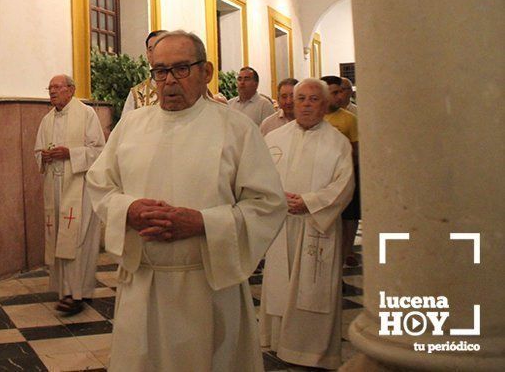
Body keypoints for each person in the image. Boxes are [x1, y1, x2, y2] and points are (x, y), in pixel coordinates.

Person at [86, 31, 286, 371]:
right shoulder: (132, 125)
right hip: (142, 283)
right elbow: (100, 184)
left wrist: (204, 223)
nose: (168, 81)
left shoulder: (235, 128)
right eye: (159, 71)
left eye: (180, 69)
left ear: (205, 72)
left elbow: (267, 203)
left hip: (208, 286)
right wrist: (129, 210)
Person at [259, 78, 355, 369]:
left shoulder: (337, 142)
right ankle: (278, 342)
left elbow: (345, 184)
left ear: (325, 105)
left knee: (312, 291)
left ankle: (311, 352)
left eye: (314, 99)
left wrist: (309, 202)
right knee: (280, 286)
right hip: (281, 225)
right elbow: (258, 177)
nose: (306, 104)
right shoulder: (274, 138)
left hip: (316, 227)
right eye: (301, 99)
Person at [34, 75, 106, 314]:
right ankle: (65, 291)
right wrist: (42, 156)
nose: (52, 92)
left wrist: (71, 154)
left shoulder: (86, 114)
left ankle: (79, 293)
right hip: (54, 186)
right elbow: (37, 151)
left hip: (79, 187)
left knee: (77, 240)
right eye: (50, 87)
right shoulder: (47, 120)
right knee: (59, 239)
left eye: (57, 87)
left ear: (71, 90)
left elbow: (99, 150)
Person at [321, 75, 361, 267]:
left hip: (346, 176)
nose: (339, 97)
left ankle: (346, 251)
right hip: (322, 178)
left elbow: (356, 149)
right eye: (334, 92)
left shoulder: (350, 119)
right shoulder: (317, 118)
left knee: (349, 217)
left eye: (340, 92)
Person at [121, 30, 167, 117]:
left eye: (160, 47)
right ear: (147, 54)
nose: (155, 53)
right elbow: (126, 128)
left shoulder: (186, 88)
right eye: (150, 49)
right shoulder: (136, 94)